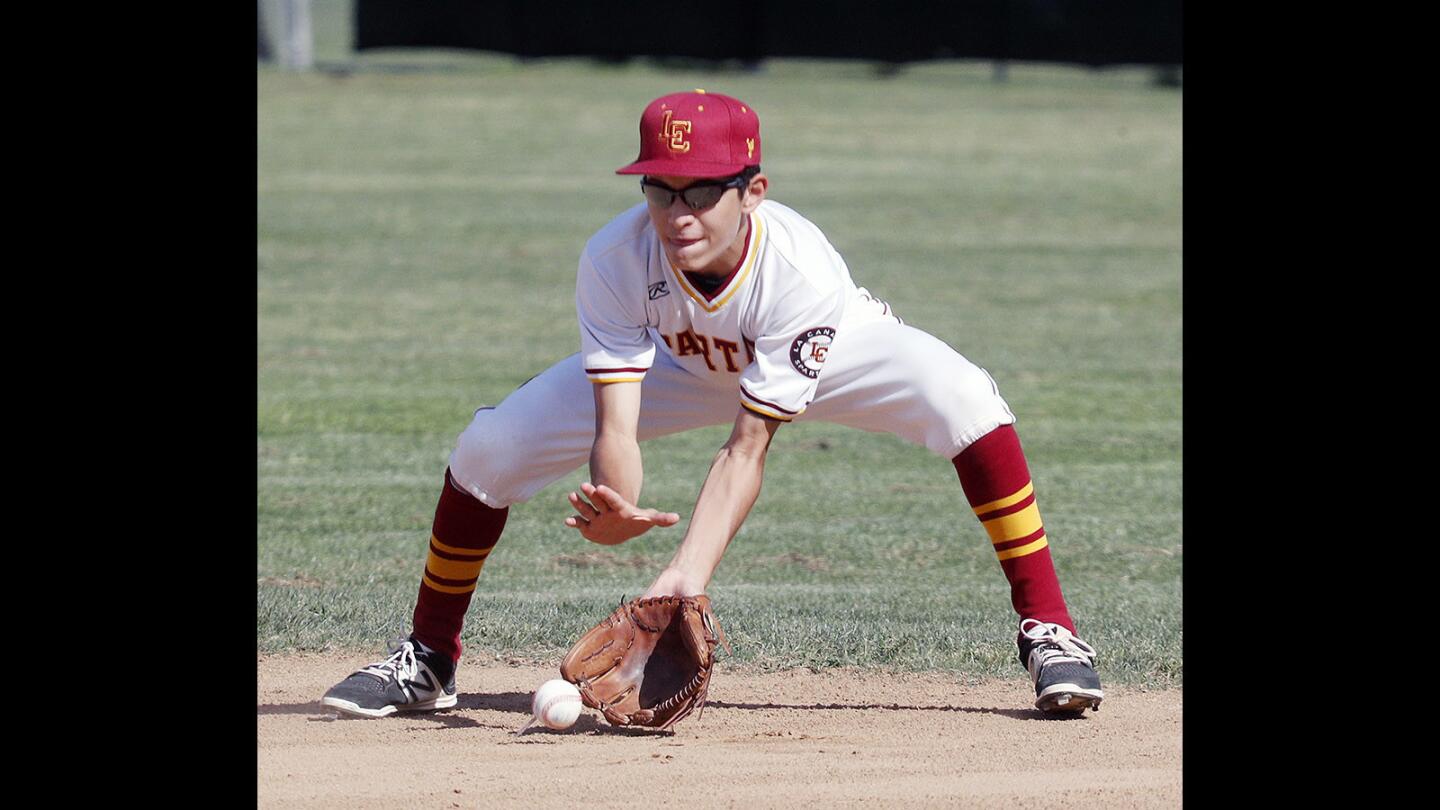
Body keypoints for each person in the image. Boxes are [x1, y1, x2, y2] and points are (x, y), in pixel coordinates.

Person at [321, 89, 1103, 719]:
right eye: (660, 190)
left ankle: (1052, 633)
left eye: (702, 191)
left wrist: (682, 577)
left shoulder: (797, 269)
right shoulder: (616, 257)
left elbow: (744, 450)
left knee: (965, 398)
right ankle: (429, 658)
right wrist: (617, 505)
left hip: (828, 348)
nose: (678, 213)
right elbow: (616, 418)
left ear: (753, 191)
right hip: (680, 358)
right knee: (489, 448)